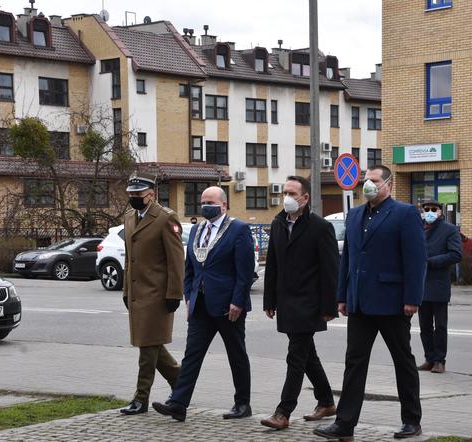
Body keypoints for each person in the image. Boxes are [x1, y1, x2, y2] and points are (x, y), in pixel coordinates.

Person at [314, 165, 427, 441]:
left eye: (374, 181)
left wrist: (412, 298)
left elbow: (415, 260)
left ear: (388, 184)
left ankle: (411, 421)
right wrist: (342, 295)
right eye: (366, 180)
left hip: (392, 302)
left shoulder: (404, 213)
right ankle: (345, 424)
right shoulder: (354, 215)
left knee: (403, 361)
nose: (368, 185)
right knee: (354, 363)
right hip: (360, 303)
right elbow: (348, 260)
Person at [152, 186, 256, 421]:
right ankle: (178, 403)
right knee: (192, 356)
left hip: (228, 307)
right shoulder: (198, 229)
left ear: (224, 205)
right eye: (202, 201)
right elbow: (190, 269)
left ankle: (242, 404)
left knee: (236, 355)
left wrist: (237, 302)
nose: (205, 205)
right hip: (200, 305)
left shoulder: (238, 229)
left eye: (210, 201)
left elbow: (245, 271)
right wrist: (188, 298)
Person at [260, 176, 340, 430]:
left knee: (296, 356)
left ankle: (283, 412)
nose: (287, 198)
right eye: (285, 192)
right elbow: (272, 264)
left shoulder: (320, 227)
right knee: (307, 356)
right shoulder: (277, 224)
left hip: (309, 303)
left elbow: (330, 271)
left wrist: (329, 307)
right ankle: (326, 401)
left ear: (305, 199)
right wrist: (269, 299)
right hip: (285, 300)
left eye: (293, 194)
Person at [119, 172, 185, 415]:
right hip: (137, 293)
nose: (134, 198)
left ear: (151, 194)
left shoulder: (166, 218)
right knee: (152, 346)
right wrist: (126, 290)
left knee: (147, 348)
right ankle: (181, 385)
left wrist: (174, 294)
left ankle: (140, 398)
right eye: (131, 194)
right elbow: (129, 259)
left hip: (158, 294)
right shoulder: (129, 217)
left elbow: (176, 260)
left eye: (138, 194)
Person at [417, 200, 462, 374]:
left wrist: (430, 262)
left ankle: (439, 360)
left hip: (438, 283)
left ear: (440, 212)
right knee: (424, 326)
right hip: (420, 284)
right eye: (426, 209)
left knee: (440, 326)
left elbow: (455, 254)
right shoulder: (418, 228)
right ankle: (429, 358)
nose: (429, 212)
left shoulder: (449, 230)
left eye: (433, 209)